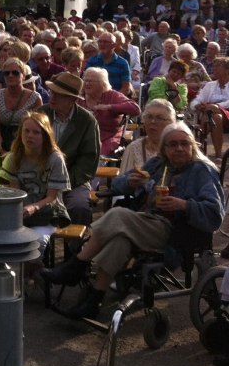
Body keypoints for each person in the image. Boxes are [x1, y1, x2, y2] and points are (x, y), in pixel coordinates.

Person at [43, 122, 224, 319]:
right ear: (164, 148)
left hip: (176, 231)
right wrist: (128, 183)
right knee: (119, 241)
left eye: (184, 144)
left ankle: (76, 265)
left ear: (192, 146)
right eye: (172, 145)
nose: (179, 149)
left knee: (118, 214)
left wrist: (184, 205)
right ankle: (94, 300)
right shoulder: (158, 164)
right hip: (144, 222)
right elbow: (120, 182)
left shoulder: (202, 170)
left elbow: (215, 213)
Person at [0, 112, 71, 257]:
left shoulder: (55, 159)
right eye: (26, 131)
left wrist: (34, 207)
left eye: (36, 132)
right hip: (20, 213)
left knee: (36, 243)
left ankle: (34, 272)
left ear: (45, 136)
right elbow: (15, 193)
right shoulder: (13, 158)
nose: (30, 135)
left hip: (47, 213)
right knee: (5, 241)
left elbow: (52, 197)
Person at [39, 72, 100, 225]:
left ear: (73, 99)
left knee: (79, 207)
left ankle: (76, 248)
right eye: (52, 92)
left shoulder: (87, 121)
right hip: (38, 177)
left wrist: (63, 183)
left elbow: (88, 161)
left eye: (59, 95)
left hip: (74, 181)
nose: (52, 97)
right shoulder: (41, 114)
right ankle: (36, 247)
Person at [77, 67, 140, 157]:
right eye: (85, 80)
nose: (87, 84)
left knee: (95, 154)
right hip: (83, 138)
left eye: (91, 81)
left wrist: (109, 107)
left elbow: (135, 109)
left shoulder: (112, 96)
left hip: (108, 137)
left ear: (102, 83)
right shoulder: (80, 98)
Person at [0, 57, 43, 155]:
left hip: (27, 146)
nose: (10, 76)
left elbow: (37, 129)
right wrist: (1, 149)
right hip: (2, 145)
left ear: (23, 76)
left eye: (15, 73)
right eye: (6, 73)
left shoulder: (35, 98)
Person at [119, 99, 176, 173]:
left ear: (171, 123)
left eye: (159, 118)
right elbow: (122, 182)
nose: (153, 121)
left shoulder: (180, 147)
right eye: (149, 117)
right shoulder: (133, 149)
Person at [189, 56, 229, 157]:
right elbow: (196, 101)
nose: (214, 69)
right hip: (211, 114)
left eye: (218, 66)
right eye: (214, 66)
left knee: (212, 114)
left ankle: (197, 146)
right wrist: (197, 105)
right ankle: (218, 155)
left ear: (227, 69)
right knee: (215, 117)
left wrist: (215, 106)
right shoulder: (210, 85)